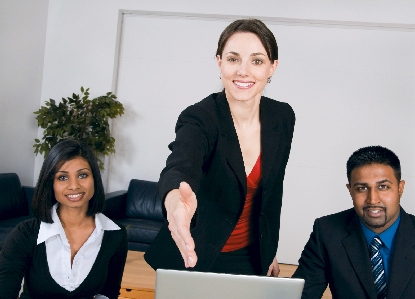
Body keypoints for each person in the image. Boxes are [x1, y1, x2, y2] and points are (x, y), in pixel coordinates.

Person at [144, 18, 295, 276]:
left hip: (250, 257)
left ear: (272, 67)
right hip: (196, 253)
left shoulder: (281, 117)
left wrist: (267, 248)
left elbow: (272, 191)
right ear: (219, 62)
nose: (243, 71)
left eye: (257, 61)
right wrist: (174, 204)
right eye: (233, 59)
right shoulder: (200, 117)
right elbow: (180, 165)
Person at [292, 145, 415, 298]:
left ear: (400, 188)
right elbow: (301, 294)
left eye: (383, 186)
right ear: (350, 190)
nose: (373, 199)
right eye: (361, 188)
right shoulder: (327, 232)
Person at [0, 139, 128, 299]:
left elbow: (108, 294)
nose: (74, 185)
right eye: (62, 177)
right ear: (50, 183)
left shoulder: (115, 235)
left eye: (83, 175)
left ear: (94, 178)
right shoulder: (25, 234)